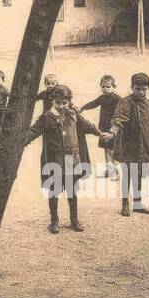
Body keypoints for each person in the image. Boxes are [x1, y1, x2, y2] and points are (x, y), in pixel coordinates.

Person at [22, 84, 98, 234]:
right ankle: (54, 221)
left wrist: (100, 133)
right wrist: (21, 140)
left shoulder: (73, 115)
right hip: (54, 160)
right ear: (52, 101)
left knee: (72, 190)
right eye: (58, 103)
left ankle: (74, 220)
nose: (62, 106)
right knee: (54, 191)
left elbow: (87, 127)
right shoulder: (46, 117)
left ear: (69, 101)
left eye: (65, 102)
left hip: (71, 159)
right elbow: (33, 131)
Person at [100, 73, 149, 218]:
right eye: (138, 89)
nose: (141, 92)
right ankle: (125, 204)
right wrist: (112, 133)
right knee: (128, 176)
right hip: (129, 145)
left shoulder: (147, 102)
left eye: (144, 89)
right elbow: (118, 119)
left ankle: (137, 204)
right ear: (132, 88)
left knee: (138, 175)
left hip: (143, 146)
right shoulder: (126, 102)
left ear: (148, 89)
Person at [80, 75, 122, 180]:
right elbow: (93, 103)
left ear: (114, 87)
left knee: (112, 150)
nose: (105, 89)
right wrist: (83, 108)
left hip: (112, 129)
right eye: (103, 86)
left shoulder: (117, 99)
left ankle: (116, 173)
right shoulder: (102, 98)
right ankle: (109, 170)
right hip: (103, 127)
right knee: (106, 149)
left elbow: (123, 110)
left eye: (108, 87)